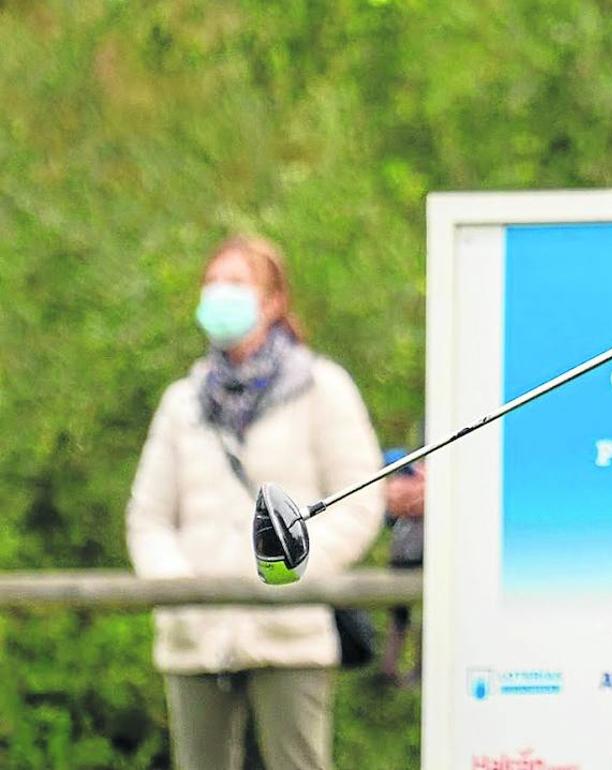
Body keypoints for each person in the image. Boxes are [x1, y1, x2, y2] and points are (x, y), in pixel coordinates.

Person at [125, 235, 384, 770]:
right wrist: (183, 593)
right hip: (195, 638)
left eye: (236, 283)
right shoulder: (182, 402)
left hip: (291, 629)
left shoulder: (321, 388)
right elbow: (148, 518)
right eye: (212, 282)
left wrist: (289, 574)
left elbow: (359, 500)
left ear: (273, 301)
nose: (220, 293)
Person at [378, 448, 425, 686]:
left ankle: (393, 670)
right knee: (410, 615)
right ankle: (406, 670)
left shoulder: (396, 487)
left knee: (400, 617)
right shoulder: (423, 481)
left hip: (403, 555)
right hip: (417, 554)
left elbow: (388, 517)